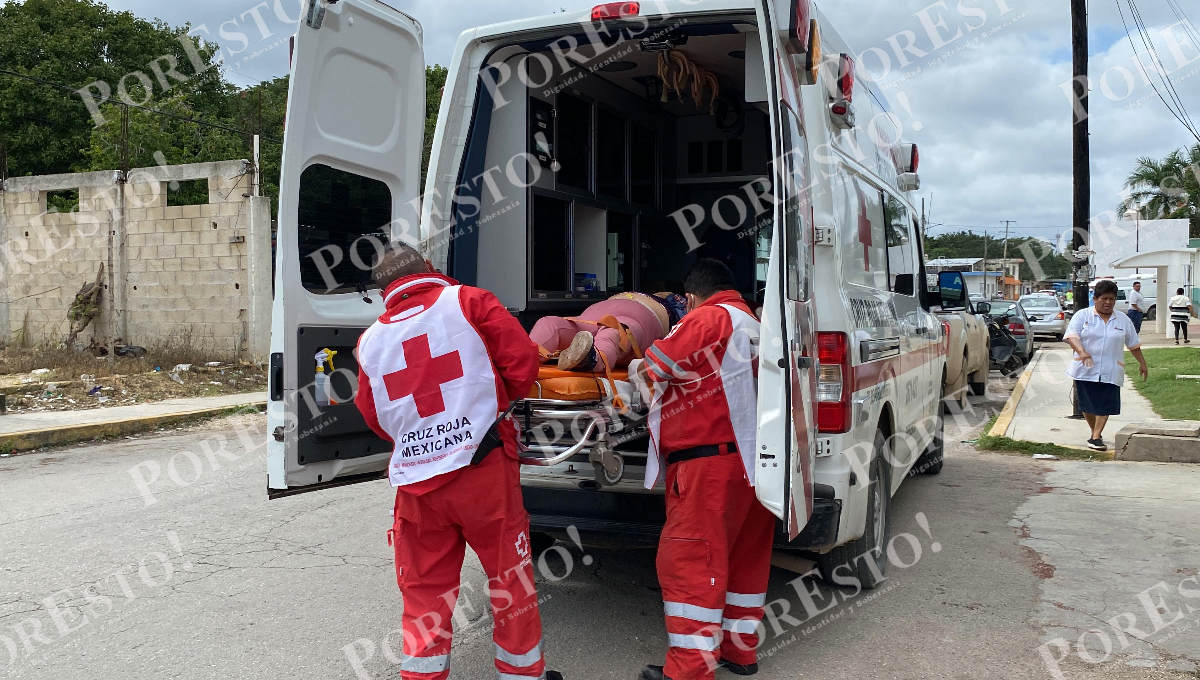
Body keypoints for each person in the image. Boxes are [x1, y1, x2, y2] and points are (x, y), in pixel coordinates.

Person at [353, 243, 563, 680]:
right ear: (429, 269)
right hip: (483, 470)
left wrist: (423, 438)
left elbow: (374, 416)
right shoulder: (470, 301)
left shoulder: (369, 340)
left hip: (416, 486)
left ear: (383, 291)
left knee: (425, 593)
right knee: (511, 582)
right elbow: (522, 366)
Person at [632, 259, 771, 680]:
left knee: (691, 563)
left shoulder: (708, 319)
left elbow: (656, 368)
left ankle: (690, 670)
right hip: (755, 465)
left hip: (706, 467)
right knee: (744, 560)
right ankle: (739, 652)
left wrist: (634, 365)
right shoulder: (755, 324)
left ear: (691, 298)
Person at [1063, 279, 1148, 452]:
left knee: (1105, 404)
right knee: (1087, 405)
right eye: (1104, 299)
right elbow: (1072, 336)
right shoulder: (1083, 316)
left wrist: (1142, 363)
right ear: (1095, 299)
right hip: (1085, 368)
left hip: (1111, 369)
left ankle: (1096, 436)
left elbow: (1133, 344)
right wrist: (1081, 352)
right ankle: (1095, 433)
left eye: (1111, 299)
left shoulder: (1123, 320)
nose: (1108, 302)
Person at [530, 291, 687, 371]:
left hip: (637, 321)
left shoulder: (680, 311)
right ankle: (526, 357)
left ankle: (591, 359)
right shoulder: (677, 304)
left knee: (615, 332)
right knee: (551, 324)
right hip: (596, 316)